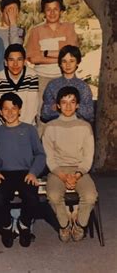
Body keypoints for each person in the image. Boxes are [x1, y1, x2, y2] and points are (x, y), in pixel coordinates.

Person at [43, 86, 98, 242]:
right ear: (58, 105)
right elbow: (49, 157)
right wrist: (62, 175)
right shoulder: (50, 127)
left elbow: (88, 157)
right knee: (53, 196)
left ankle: (79, 224)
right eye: (64, 102)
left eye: (72, 102)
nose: (68, 106)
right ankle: (65, 224)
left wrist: (77, 175)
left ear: (78, 105)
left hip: (80, 170)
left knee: (90, 196)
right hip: (57, 171)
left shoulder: (85, 127)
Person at [0, 92, 46, 248]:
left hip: (25, 172)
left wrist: (33, 172)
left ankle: (24, 225)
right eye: (5, 109)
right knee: (0, 199)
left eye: (13, 108)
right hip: (4, 173)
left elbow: (40, 154)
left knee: (32, 198)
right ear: (0, 112)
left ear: (19, 110)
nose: (9, 112)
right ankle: (7, 226)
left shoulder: (29, 130)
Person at [25, 0, 79, 102]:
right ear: (44, 12)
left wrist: (45, 53)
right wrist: (62, 58)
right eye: (48, 10)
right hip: (41, 78)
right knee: (43, 112)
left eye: (55, 9)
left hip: (65, 77)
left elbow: (73, 54)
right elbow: (33, 58)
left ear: (61, 11)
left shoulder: (69, 28)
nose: (52, 13)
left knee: (67, 110)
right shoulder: (36, 31)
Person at [41, 45, 94, 123]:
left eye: (72, 61)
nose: (68, 65)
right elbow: (45, 113)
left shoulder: (83, 87)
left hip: (77, 126)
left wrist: (73, 107)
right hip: (57, 125)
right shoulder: (52, 85)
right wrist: (57, 108)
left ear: (77, 62)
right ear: (60, 64)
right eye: (64, 61)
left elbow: (89, 114)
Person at [0, 44, 39, 125]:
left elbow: (32, 108)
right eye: (11, 60)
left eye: (19, 60)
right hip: (6, 124)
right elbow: (0, 108)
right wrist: (12, 127)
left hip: (28, 124)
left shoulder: (32, 75)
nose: (15, 64)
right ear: (6, 62)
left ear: (25, 61)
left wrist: (22, 128)